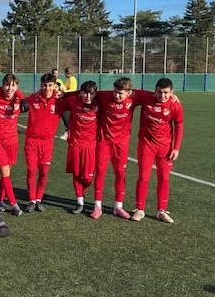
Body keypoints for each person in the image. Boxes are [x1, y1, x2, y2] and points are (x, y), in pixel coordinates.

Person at [132, 78, 184, 223]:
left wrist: (176, 148)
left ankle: (161, 210)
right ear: (154, 91)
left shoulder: (175, 105)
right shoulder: (146, 97)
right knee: (143, 177)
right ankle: (140, 209)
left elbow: (179, 126)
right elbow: (127, 90)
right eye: (160, 92)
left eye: (166, 93)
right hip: (146, 144)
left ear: (172, 92)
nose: (162, 96)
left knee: (164, 178)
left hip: (165, 147)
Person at [93, 77, 143, 219]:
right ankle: (97, 206)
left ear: (129, 93)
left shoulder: (134, 99)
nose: (116, 95)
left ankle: (118, 207)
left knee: (120, 174)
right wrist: (63, 94)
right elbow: (86, 92)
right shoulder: (105, 96)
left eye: (120, 93)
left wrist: (172, 97)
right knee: (100, 173)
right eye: (115, 91)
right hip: (104, 141)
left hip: (122, 144)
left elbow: (149, 95)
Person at [23, 73, 69, 213]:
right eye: (44, 85)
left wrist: (65, 95)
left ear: (54, 85)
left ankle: (39, 199)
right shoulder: (33, 98)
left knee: (44, 171)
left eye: (50, 85)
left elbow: (75, 102)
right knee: (31, 171)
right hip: (31, 142)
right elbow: (19, 99)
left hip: (47, 143)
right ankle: (32, 200)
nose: (47, 88)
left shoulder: (60, 101)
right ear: (41, 85)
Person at [0, 74, 29, 216]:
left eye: (13, 85)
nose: (9, 88)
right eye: (7, 85)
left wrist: (22, 98)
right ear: (2, 85)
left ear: (17, 87)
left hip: (12, 141)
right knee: (5, 173)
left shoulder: (18, 100)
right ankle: (14, 204)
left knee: (6, 173)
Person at [61, 81, 100, 217]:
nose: (88, 97)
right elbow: (65, 95)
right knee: (76, 174)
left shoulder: (99, 104)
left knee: (88, 178)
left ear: (96, 94)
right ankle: (80, 202)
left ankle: (82, 193)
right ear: (81, 93)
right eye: (85, 93)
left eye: (91, 94)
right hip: (75, 144)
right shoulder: (74, 101)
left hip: (91, 146)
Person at [59, 67, 78, 141]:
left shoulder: (72, 79)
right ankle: (69, 131)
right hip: (68, 99)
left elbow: (72, 90)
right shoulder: (70, 79)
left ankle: (68, 132)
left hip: (70, 100)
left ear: (67, 73)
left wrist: (63, 89)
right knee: (65, 115)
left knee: (65, 115)